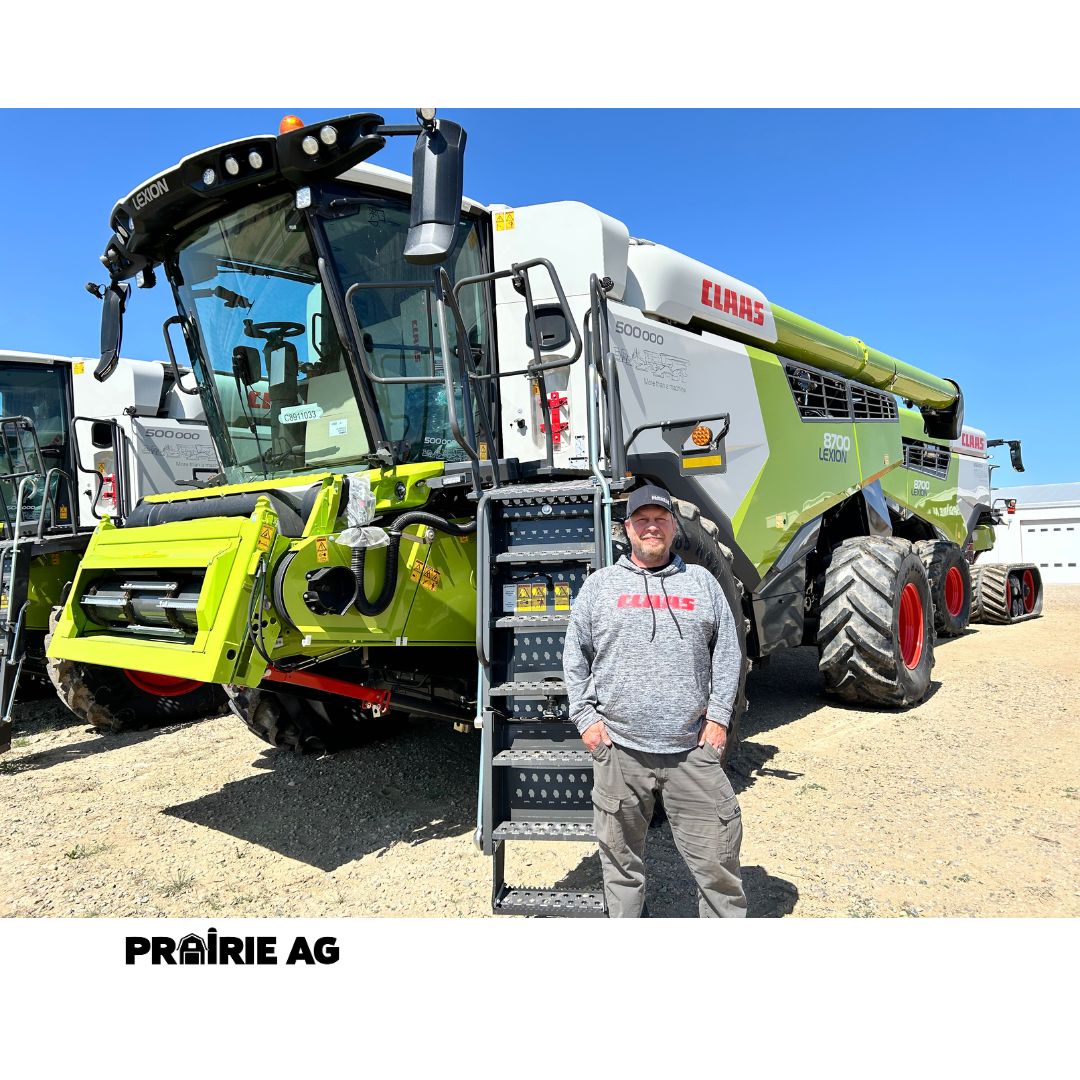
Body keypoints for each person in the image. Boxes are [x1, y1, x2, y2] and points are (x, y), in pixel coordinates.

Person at [562, 483, 747, 917]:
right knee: (621, 867)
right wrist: (586, 720)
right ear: (627, 529)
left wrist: (719, 718)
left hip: (691, 753)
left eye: (659, 520)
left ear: (672, 527)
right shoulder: (599, 587)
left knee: (718, 864)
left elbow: (728, 652)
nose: (651, 527)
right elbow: (575, 657)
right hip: (620, 753)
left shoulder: (701, 583)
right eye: (641, 520)